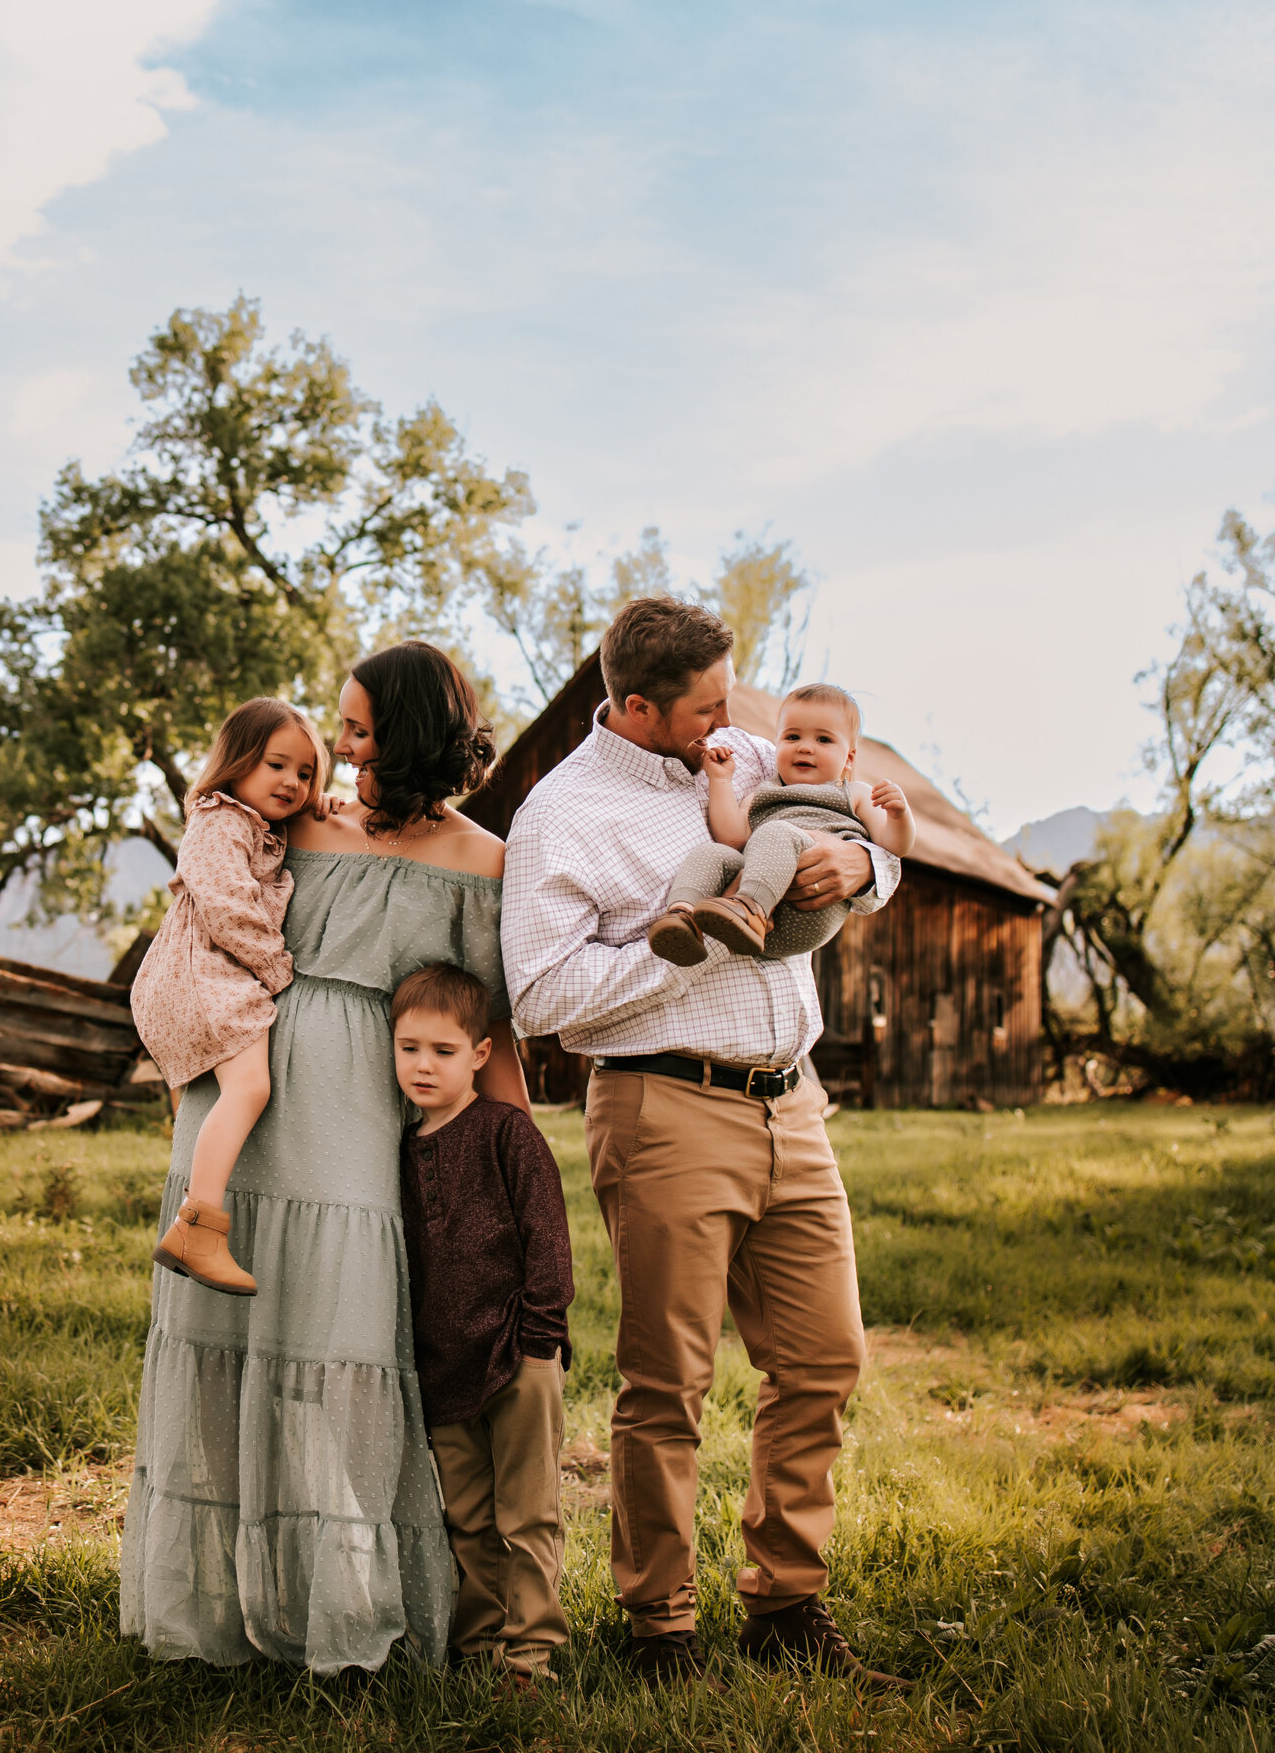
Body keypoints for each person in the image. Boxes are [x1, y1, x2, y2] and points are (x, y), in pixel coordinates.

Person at [500, 596, 905, 1688]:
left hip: (796, 1102)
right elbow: (541, 997)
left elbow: (866, 829)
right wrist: (709, 951)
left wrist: (859, 873)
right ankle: (660, 1631)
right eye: (708, 705)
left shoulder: (756, 752)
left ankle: (785, 1605)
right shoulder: (563, 812)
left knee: (823, 1359)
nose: (740, 721)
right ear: (635, 707)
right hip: (666, 1108)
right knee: (667, 1383)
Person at [120, 641, 530, 1674]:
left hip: (354, 1107)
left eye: (356, 730)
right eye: (336, 729)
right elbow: (208, 888)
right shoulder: (297, 824)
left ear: (410, 736)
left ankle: (340, 1607)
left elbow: (493, 1030)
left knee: (342, 1345)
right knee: (227, 1341)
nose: (337, 750)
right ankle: (222, 1611)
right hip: (244, 1083)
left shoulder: (485, 862)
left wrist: (518, 1168)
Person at [393, 962, 574, 1686]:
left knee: (526, 1516)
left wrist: (539, 1341)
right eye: (409, 1048)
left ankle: (531, 1656)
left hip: (518, 1357)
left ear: (479, 1054)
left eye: (443, 1051)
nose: (424, 1065)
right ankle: (477, 1653)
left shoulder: (508, 1135)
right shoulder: (400, 1152)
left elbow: (548, 1241)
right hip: (443, 1368)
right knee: (468, 1520)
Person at [128, 698, 330, 1296]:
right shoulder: (218, 820)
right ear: (239, 761)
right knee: (250, 1087)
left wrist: (324, 804)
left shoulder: (255, 825)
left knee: (246, 1088)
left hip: (211, 972)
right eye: (277, 766)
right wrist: (278, 969)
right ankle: (198, 1225)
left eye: (306, 773)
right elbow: (226, 907)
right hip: (200, 973)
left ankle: (201, 1222)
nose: (292, 782)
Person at [648, 684, 915, 966]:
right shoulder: (764, 794)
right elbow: (733, 839)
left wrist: (899, 815)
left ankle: (751, 910)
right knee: (710, 854)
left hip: (809, 912)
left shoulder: (856, 793)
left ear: (848, 757)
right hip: (747, 911)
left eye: (823, 740)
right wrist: (721, 780)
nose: (804, 747)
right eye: (792, 736)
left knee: (777, 832)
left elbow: (893, 846)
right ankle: (682, 918)